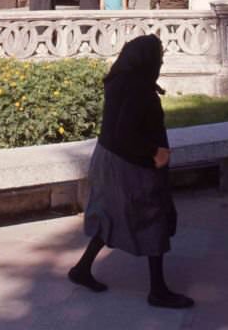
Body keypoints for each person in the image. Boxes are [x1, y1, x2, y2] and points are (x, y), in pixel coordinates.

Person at [69, 34, 193, 309]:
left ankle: (82, 269)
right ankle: (158, 291)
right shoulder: (138, 89)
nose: (160, 61)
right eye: (158, 57)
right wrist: (154, 152)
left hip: (108, 158)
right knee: (153, 217)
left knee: (110, 215)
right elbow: (127, 132)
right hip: (130, 163)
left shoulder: (121, 80)